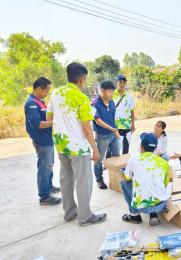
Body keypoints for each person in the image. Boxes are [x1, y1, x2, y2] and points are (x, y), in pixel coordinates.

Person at [47, 62, 106, 226]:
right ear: (81, 79)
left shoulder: (55, 93)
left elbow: (49, 119)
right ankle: (85, 216)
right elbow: (87, 127)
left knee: (66, 179)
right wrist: (94, 148)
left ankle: (69, 212)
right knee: (83, 181)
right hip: (78, 147)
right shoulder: (81, 98)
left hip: (61, 144)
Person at [24, 77, 61, 206]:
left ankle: (49, 187)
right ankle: (44, 197)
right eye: (46, 91)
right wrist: (54, 122)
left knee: (49, 165)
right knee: (44, 168)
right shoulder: (31, 103)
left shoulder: (39, 101)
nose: (47, 94)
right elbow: (35, 124)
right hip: (42, 141)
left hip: (47, 139)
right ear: (39, 89)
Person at [120, 133, 170, 226]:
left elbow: (126, 180)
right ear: (155, 148)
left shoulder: (133, 160)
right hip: (161, 205)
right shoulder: (164, 162)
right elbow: (165, 185)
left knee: (123, 182)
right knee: (154, 183)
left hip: (143, 207)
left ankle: (135, 216)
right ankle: (154, 215)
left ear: (141, 146)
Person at [92, 81, 121, 189]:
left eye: (113, 93)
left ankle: (115, 178)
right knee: (98, 159)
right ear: (102, 90)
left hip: (113, 134)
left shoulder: (112, 102)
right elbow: (98, 121)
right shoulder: (95, 103)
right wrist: (112, 129)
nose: (111, 95)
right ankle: (99, 180)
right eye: (109, 92)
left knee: (116, 156)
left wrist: (115, 130)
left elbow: (112, 117)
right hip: (102, 136)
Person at [113, 74, 135, 154]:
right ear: (116, 83)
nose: (122, 84)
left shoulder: (129, 96)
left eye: (123, 82)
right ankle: (113, 165)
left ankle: (124, 166)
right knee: (115, 149)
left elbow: (132, 111)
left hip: (127, 126)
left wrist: (133, 125)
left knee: (126, 149)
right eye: (120, 82)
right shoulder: (112, 96)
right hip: (115, 126)